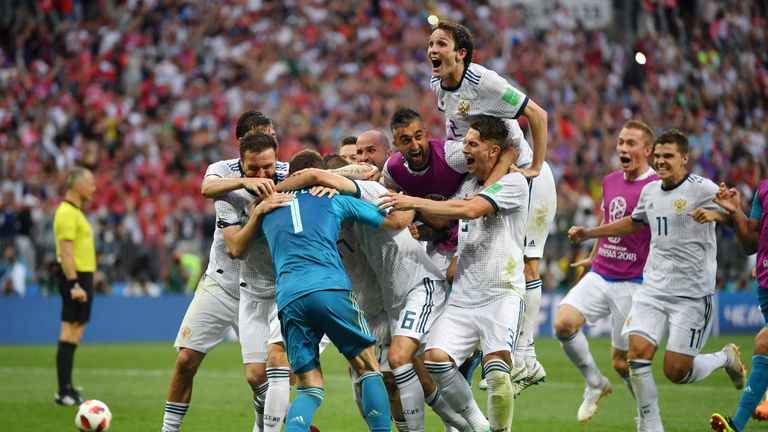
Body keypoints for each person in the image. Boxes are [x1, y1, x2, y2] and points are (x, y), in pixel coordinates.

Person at [568, 129, 747, 432]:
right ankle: (651, 426)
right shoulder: (650, 191)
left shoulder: (702, 188)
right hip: (652, 289)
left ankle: (724, 358)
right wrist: (589, 234)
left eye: (669, 156)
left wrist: (718, 215)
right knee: (635, 355)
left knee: (676, 371)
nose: (661, 161)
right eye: (659, 156)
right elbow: (633, 224)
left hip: (691, 295)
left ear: (685, 158)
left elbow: (736, 218)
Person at [380, 115, 529, 432]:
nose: (465, 150)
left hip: (501, 293)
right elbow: (444, 218)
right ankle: (478, 425)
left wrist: (412, 200)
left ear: (493, 151)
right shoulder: (467, 185)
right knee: (435, 359)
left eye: (473, 144)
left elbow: (471, 209)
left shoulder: (514, 183)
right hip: (463, 296)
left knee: (498, 374)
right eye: (465, 143)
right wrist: (416, 217)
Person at [428, 20, 555, 388]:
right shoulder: (439, 86)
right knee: (440, 157)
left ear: (461, 53)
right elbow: (456, 133)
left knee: (529, 263)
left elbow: (538, 116)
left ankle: (525, 358)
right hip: (487, 167)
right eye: (430, 43)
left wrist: (534, 166)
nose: (433, 50)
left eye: (441, 44)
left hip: (523, 174)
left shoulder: (484, 82)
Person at [255, 155, 411, 432]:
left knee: (308, 389)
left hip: (289, 296)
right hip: (330, 288)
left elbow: (236, 246)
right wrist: (410, 204)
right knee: (368, 368)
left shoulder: (266, 208)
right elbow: (394, 221)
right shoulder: (331, 197)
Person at [162, 112, 286, 432]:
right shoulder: (222, 172)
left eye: (271, 135)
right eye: (261, 135)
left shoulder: (285, 171)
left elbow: (322, 171)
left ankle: (262, 425)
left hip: (265, 288)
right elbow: (207, 187)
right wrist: (246, 181)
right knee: (187, 360)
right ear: (242, 144)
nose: (270, 141)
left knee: (260, 376)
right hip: (223, 281)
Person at [553, 120, 657, 423]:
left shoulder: (654, 187)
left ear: (647, 150)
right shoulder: (611, 180)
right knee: (563, 323)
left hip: (634, 282)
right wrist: (592, 255)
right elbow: (609, 218)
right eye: (621, 141)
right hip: (601, 271)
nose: (623, 148)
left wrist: (587, 234)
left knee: (623, 363)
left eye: (631, 143)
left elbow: (632, 224)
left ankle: (646, 416)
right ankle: (594, 382)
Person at [709, 179, 768, 432]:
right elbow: (749, 243)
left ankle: (737, 425)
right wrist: (735, 211)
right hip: (765, 283)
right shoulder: (763, 189)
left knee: (764, 343)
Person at [53, 167, 97, 406]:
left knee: (75, 332)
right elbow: (65, 252)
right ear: (76, 184)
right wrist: (74, 284)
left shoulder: (76, 212)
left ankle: (67, 387)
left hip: (82, 277)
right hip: (76, 278)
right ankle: (62, 391)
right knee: (69, 332)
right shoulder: (67, 212)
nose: (94, 187)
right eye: (90, 182)